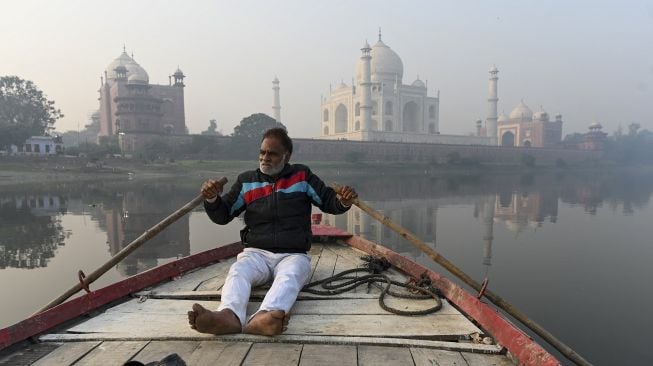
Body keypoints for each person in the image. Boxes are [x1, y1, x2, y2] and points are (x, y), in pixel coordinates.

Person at [187, 127, 357, 336]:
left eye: (272, 153)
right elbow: (223, 215)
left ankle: (263, 317)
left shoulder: (302, 177)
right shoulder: (247, 181)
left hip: (292, 253)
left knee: (290, 276)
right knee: (239, 271)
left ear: (287, 156)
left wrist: (343, 200)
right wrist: (212, 198)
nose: (265, 158)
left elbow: (329, 201)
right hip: (256, 252)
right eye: (262, 152)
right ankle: (228, 316)